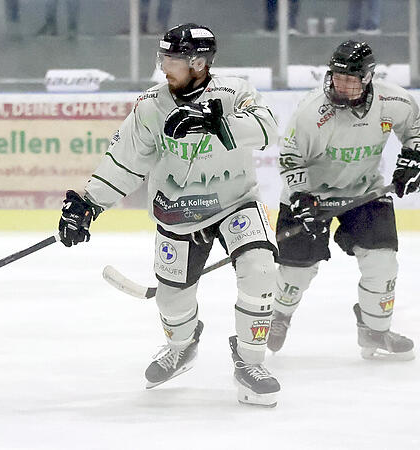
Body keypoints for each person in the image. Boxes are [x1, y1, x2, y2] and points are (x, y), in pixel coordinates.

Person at [58, 23, 281, 407]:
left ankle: (250, 363)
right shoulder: (150, 105)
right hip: (179, 211)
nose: (163, 66)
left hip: (235, 202)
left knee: (260, 271)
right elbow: (125, 162)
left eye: (171, 59)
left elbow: (267, 128)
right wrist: (88, 202)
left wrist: (217, 123)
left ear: (198, 62)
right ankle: (182, 345)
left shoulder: (234, 92)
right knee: (172, 304)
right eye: (162, 57)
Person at [268, 40, 420, 361]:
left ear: (368, 78)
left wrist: (415, 156)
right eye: (336, 77)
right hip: (310, 196)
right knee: (297, 271)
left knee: (382, 262)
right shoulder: (312, 111)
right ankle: (279, 317)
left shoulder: (392, 101)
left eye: (350, 80)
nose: (340, 86)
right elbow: (289, 154)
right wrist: (301, 196)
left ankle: (375, 329)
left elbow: (416, 128)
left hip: (364, 192)